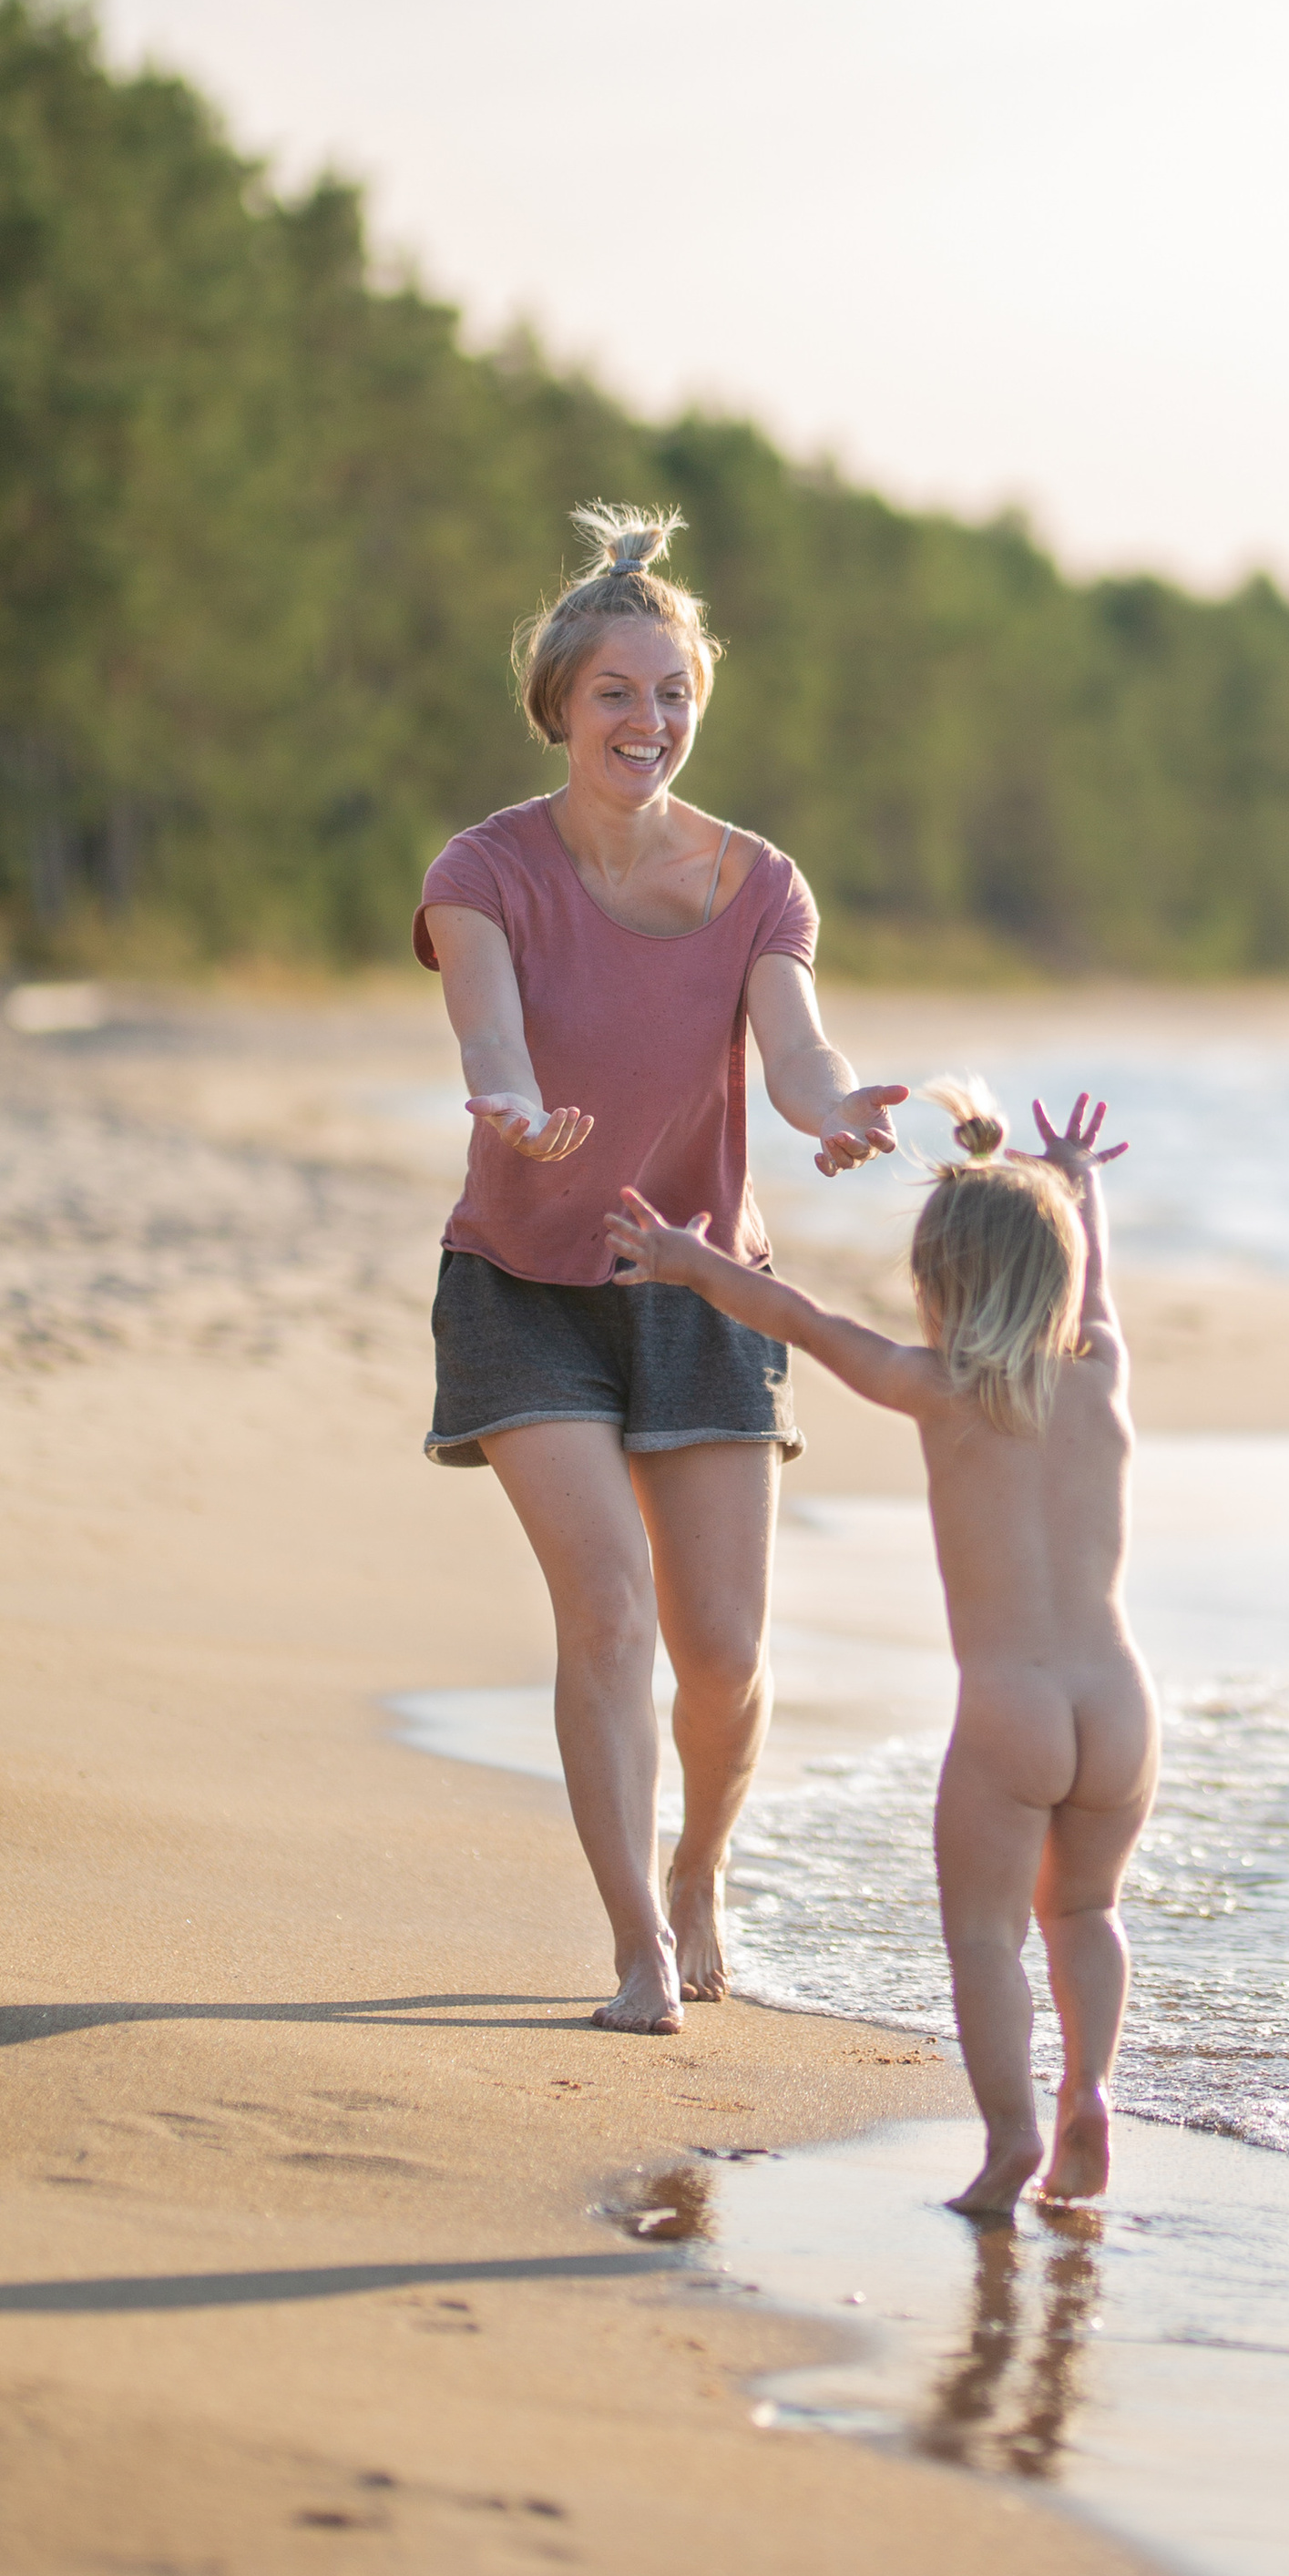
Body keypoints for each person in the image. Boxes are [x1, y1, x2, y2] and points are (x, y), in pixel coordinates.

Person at [414, 502, 907, 2036]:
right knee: (609, 1616)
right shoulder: (484, 867)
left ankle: (700, 1867)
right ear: (560, 703)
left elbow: (798, 1049)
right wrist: (506, 1109)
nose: (650, 719)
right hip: (525, 1286)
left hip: (703, 1288)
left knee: (727, 1658)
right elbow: (491, 1035)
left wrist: (832, 1112)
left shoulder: (759, 882)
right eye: (618, 691)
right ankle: (637, 1945)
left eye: (674, 691)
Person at [606, 1083, 1158, 2215]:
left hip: (1011, 1713)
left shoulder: (939, 1389)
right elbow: (1090, 1288)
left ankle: (1011, 2139)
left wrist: (685, 1263)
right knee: (1087, 1913)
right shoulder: (1101, 1379)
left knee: (987, 1937)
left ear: (939, 1288)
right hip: (1119, 1708)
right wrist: (1078, 1189)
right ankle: (1087, 2095)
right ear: (1059, 1282)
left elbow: (800, 1318)